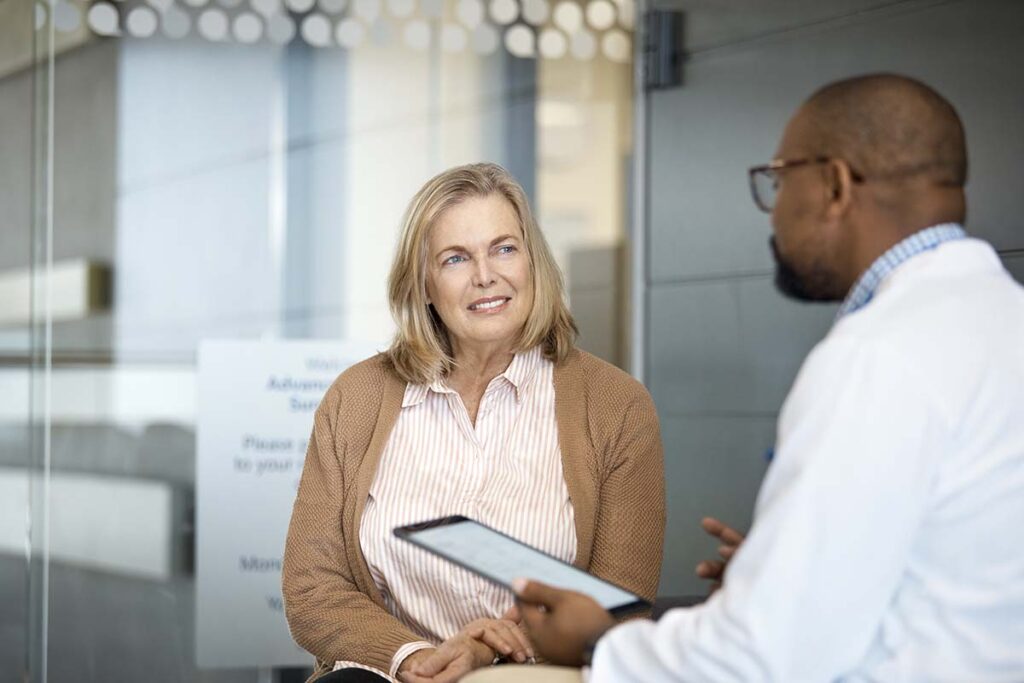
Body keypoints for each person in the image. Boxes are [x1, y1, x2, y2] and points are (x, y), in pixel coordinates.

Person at [481, 74, 1024, 681]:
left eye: (779, 179)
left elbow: (765, 653)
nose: (773, 215)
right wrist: (776, 569)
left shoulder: (877, 356)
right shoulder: (1002, 322)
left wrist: (599, 644)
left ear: (833, 186)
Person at [281, 162, 665, 683]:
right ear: (424, 285)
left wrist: (494, 651)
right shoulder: (357, 398)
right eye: (456, 258)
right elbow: (312, 588)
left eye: (504, 248)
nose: (485, 275)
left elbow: (621, 607)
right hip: (388, 675)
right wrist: (415, 656)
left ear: (535, 263)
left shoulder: (616, 405)